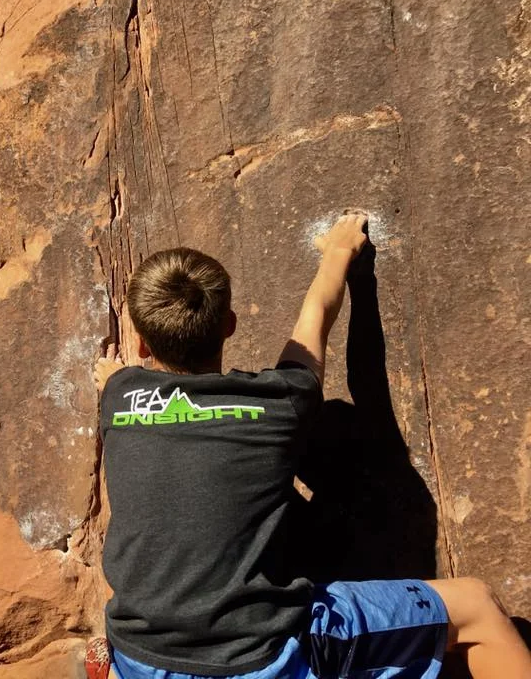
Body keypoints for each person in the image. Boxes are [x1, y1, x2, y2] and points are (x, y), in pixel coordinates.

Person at [94, 212, 531, 679]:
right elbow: (317, 319)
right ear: (230, 325)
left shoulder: (118, 397)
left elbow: (114, 379)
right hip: (259, 661)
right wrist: (340, 250)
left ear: (140, 345)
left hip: (139, 657)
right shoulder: (281, 401)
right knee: (478, 607)